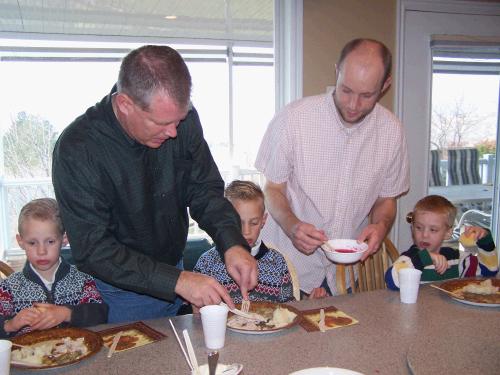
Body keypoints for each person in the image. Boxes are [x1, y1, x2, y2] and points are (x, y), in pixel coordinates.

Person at [52, 45, 258, 323]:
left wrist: (232, 243)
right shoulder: (78, 149)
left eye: (179, 120)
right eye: (162, 123)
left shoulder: (180, 118)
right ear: (125, 105)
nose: (173, 132)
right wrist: (177, 281)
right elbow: (93, 249)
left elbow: (203, 189)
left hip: (176, 268)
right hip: (119, 290)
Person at [255, 38, 410, 297]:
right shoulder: (293, 119)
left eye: (366, 95)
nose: (352, 105)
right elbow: (272, 189)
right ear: (337, 71)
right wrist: (292, 225)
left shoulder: (392, 132)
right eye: (346, 90)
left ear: (385, 85)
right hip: (285, 268)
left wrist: (380, 227)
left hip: (344, 275)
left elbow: (387, 198)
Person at [0, 198, 108, 338]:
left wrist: (66, 313)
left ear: (64, 240)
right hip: (27, 357)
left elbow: (100, 313)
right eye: (32, 243)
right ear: (21, 242)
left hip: (75, 352)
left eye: (50, 241)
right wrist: (10, 324)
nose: (41, 251)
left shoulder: (82, 280)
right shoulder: (9, 287)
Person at [194, 180, 295, 303]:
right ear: (226, 221)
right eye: (239, 223)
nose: (246, 232)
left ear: (263, 220)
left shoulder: (277, 262)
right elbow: (196, 310)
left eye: (254, 223)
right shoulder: (207, 263)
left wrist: (309, 303)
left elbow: (289, 308)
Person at [385, 195, 498, 289]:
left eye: (433, 230)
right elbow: (391, 282)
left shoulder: (456, 258)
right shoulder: (409, 259)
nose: (424, 235)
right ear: (412, 228)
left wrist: (485, 239)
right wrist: (425, 258)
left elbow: (489, 272)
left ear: (448, 233)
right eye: (419, 227)